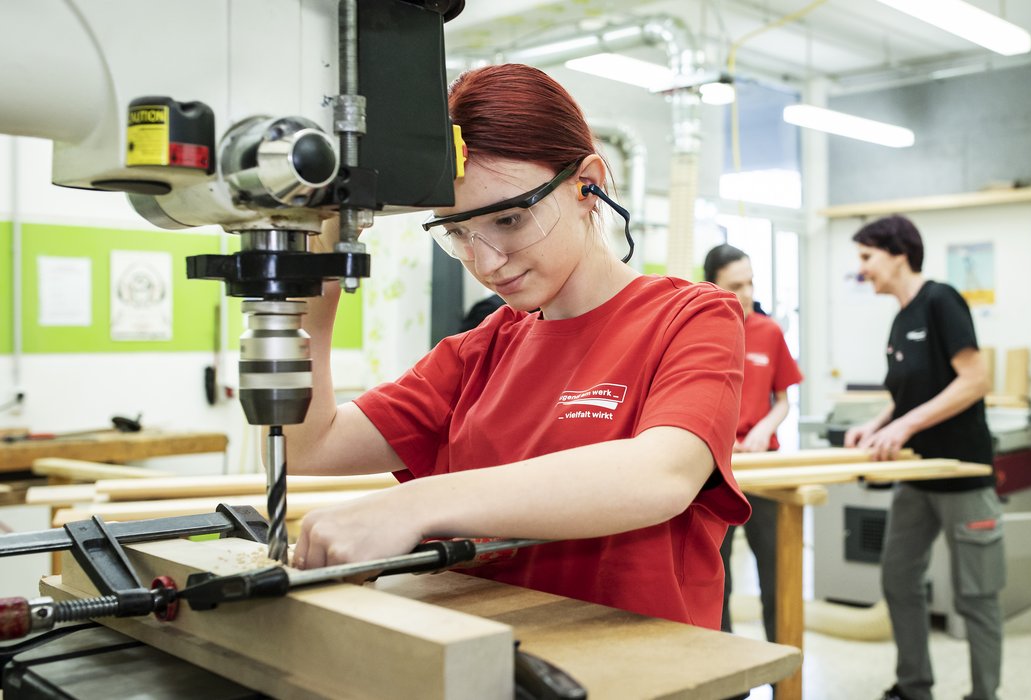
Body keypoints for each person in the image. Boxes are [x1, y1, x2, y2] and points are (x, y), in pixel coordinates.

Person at [284, 64, 751, 630]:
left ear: (588, 184)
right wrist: (318, 280)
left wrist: (417, 503)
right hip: (488, 668)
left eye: (509, 218)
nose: (486, 262)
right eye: (456, 232)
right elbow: (311, 444)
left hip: (642, 673)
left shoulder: (690, 317)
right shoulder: (479, 351)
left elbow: (661, 475)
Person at [843, 215, 1003, 700]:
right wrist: (878, 422)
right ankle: (915, 687)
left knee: (976, 595)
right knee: (898, 578)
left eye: (867, 257)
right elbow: (909, 394)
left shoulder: (941, 300)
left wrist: (904, 425)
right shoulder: (901, 318)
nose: (862, 269)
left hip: (963, 477)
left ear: (898, 253)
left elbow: (975, 380)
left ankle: (983, 694)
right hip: (918, 477)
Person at [702, 244, 802, 643]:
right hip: (714, 473)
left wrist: (763, 429)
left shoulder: (769, 331)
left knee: (777, 574)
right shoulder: (700, 332)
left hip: (764, 469)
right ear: (712, 285)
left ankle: (785, 680)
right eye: (735, 284)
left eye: (750, 283)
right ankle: (728, 680)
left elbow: (783, 400)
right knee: (715, 579)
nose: (745, 293)